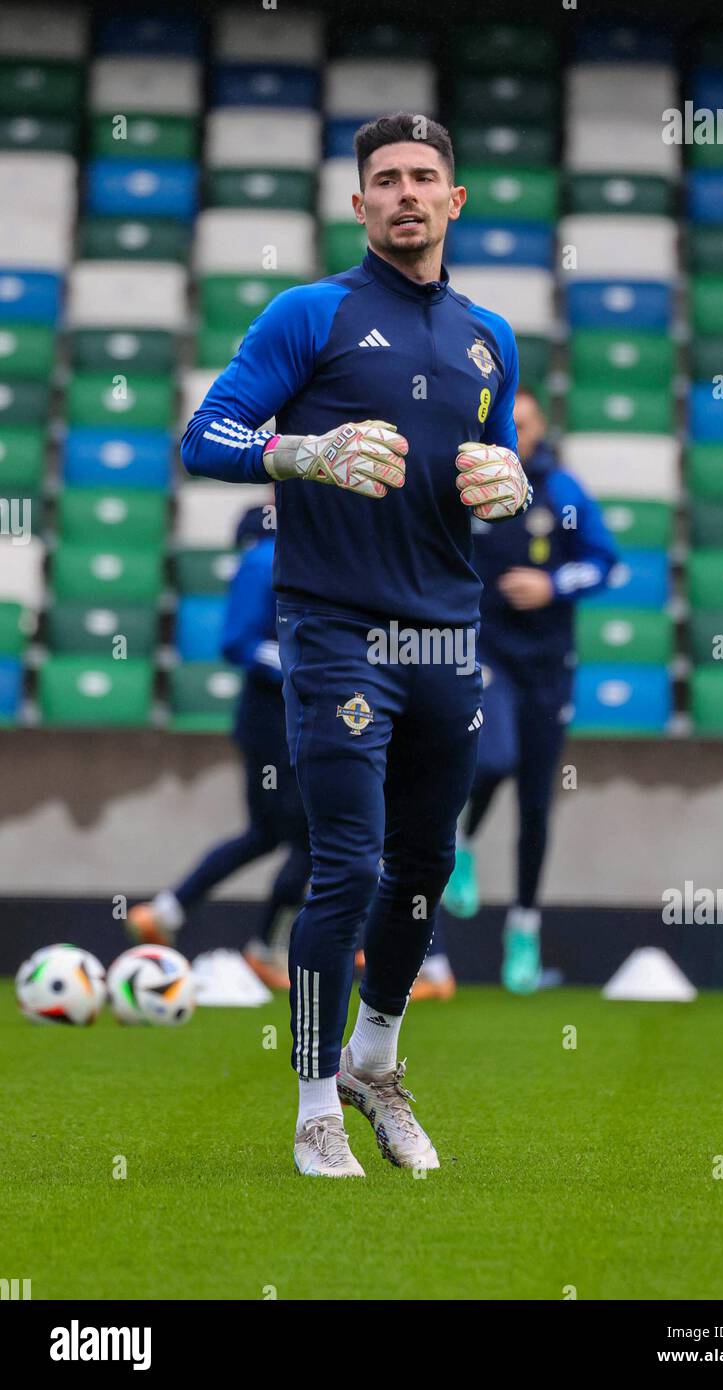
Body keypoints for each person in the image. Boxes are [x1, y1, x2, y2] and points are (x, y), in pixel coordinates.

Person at [180, 111, 531, 1177]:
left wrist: (509, 488)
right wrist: (304, 451)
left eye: (426, 175)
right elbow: (206, 435)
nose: (407, 193)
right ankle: (312, 1104)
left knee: (426, 858)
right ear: (358, 203)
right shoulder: (309, 313)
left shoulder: (488, 337)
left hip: (447, 630)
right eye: (386, 178)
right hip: (334, 626)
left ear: (454, 200)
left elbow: (491, 469)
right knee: (346, 863)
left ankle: (375, 1060)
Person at [442, 386, 618, 994]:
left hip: (548, 662)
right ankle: (459, 842)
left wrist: (551, 584)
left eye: (526, 422)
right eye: (506, 424)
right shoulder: (469, 483)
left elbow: (605, 562)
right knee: (496, 754)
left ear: (540, 428)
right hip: (487, 651)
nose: (517, 433)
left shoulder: (562, 491)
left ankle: (523, 929)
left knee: (537, 801)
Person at [127, 504, 311, 991]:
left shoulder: (273, 557)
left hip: (277, 718)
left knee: (270, 833)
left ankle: (171, 911)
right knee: (308, 837)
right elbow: (237, 643)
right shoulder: (265, 561)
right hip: (276, 719)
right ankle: (261, 944)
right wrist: (310, 666)